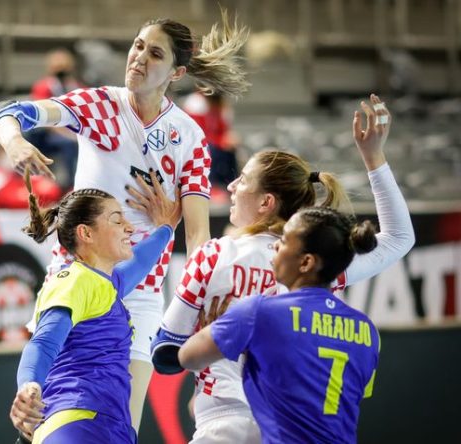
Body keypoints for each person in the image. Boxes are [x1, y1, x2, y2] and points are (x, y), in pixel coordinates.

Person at [0, 10, 250, 430]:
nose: (139, 58)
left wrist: (200, 296)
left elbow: (198, 233)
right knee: (44, 408)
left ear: (177, 72)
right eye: (138, 45)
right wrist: (14, 142)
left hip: (141, 289)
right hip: (79, 279)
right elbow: (8, 112)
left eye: (155, 54)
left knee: (123, 424)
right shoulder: (100, 106)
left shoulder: (189, 137)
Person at [151, 95, 414, 443]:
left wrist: (211, 336)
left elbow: (166, 356)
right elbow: (399, 238)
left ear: (266, 202)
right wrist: (374, 158)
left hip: (223, 424)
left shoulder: (213, 256)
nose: (232, 186)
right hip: (295, 426)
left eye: (243, 179)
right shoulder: (322, 262)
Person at [178, 206, 381, 443]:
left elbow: (187, 357)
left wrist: (220, 325)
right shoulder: (368, 330)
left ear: (306, 262)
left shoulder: (260, 312)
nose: (275, 245)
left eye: (284, 241)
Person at [10, 170, 181, 443]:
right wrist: (29, 384)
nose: (130, 227)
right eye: (117, 220)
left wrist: (166, 228)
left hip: (106, 426)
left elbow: (139, 262)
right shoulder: (74, 280)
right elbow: (42, 343)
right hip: (77, 422)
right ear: (86, 233)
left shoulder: (106, 284)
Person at [24, 48, 84, 190]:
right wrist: (70, 136)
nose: (61, 70)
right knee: (69, 144)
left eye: (64, 66)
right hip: (46, 135)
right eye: (58, 66)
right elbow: (45, 119)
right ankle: (70, 185)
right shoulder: (43, 87)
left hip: (72, 132)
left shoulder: (77, 87)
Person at [182, 91, 239, 202]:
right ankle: (211, 186)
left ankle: (231, 184)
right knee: (210, 150)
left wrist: (228, 138)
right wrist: (221, 141)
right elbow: (197, 133)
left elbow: (223, 130)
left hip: (214, 141)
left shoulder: (222, 104)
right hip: (195, 142)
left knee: (231, 150)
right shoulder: (195, 103)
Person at [0, 145, 63, 209]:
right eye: (5, 152)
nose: (10, 156)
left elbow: (52, 192)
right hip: (7, 217)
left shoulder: (33, 171)